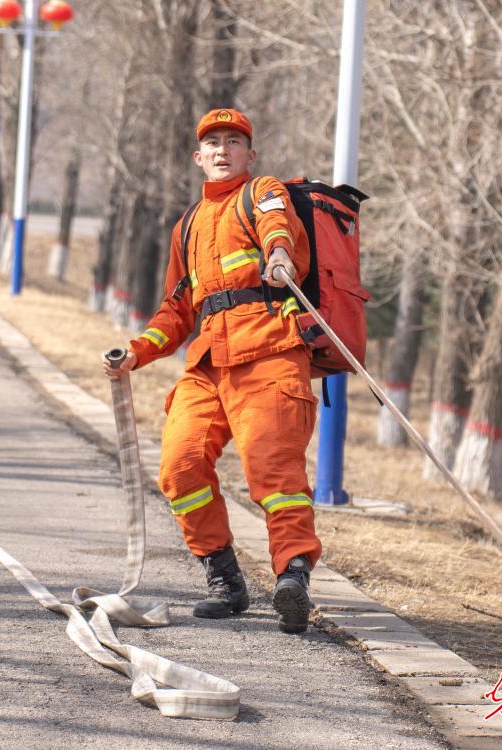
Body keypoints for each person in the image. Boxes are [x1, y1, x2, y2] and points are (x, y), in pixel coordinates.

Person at [102, 108, 321, 633]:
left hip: (269, 352)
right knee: (179, 469)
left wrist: (280, 257)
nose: (223, 149)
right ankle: (223, 576)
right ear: (198, 157)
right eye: (212, 143)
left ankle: (292, 576)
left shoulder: (264, 192)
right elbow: (176, 311)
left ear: (251, 154)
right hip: (206, 364)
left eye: (233, 141)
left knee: (275, 475)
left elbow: (276, 226)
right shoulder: (189, 226)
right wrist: (137, 351)